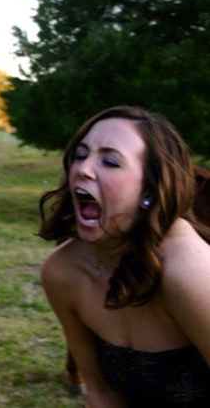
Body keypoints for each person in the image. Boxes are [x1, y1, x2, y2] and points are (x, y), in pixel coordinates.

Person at [39, 105, 210, 406]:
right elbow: (101, 390)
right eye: (80, 155)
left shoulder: (189, 269)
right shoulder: (63, 272)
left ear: (150, 190)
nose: (83, 169)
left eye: (109, 161)